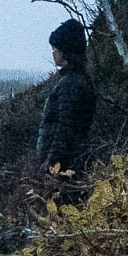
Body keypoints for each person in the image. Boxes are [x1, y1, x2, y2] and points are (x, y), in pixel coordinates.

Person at [35, 17, 98, 176]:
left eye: (55, 48)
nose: (53, 52)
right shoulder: (76, 79)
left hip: (67, 166)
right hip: (69, 162)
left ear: (65, 52)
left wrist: (51, 161)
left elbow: (64, 128)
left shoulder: (71, 84)